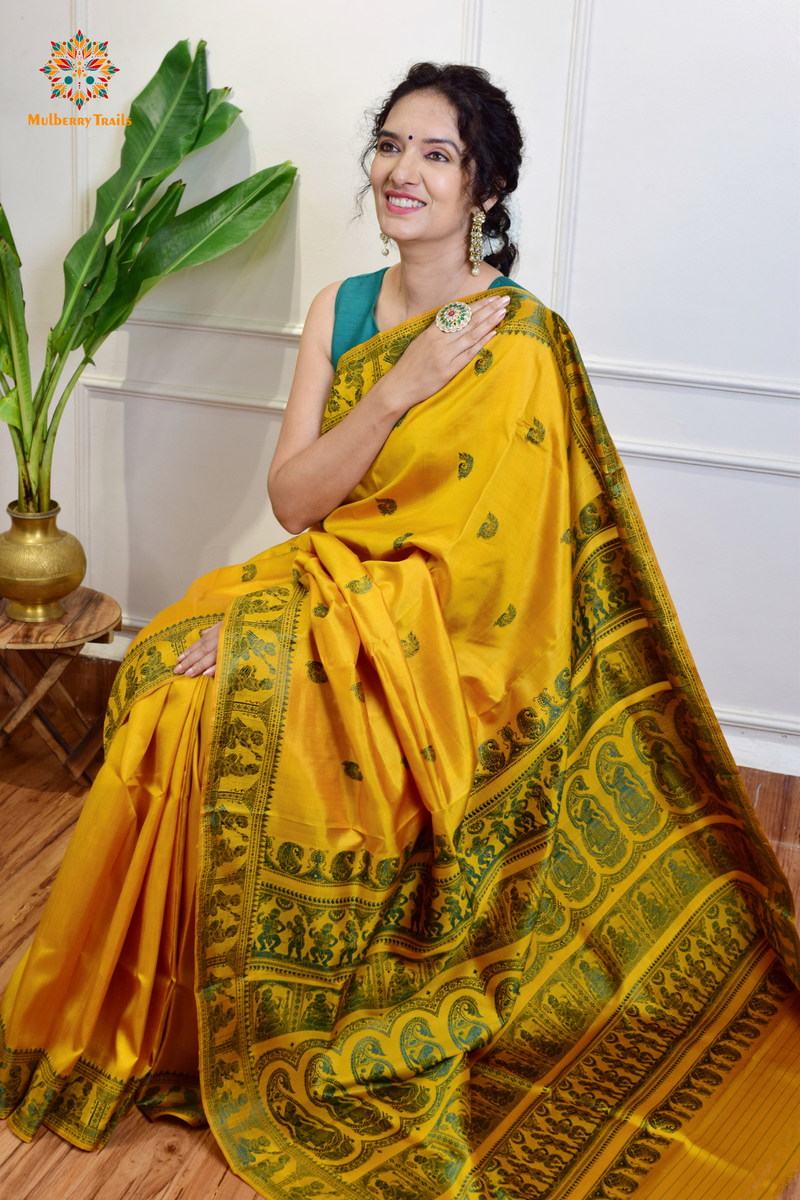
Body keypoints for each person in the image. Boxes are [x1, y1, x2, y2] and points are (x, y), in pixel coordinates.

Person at [2, 61, 800, 1200]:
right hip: (327, 578)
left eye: (436, 154)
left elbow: (494, 581)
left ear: (486, 187)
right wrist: (395, 388)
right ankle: (167, 1026)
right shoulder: (340, 308)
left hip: (442, 643)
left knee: (240, 706)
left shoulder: (520, 341)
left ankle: (275, 1019)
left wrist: (311, 637)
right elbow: (294, 501)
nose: (402, 171)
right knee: (166, 686)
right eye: (390, 146)